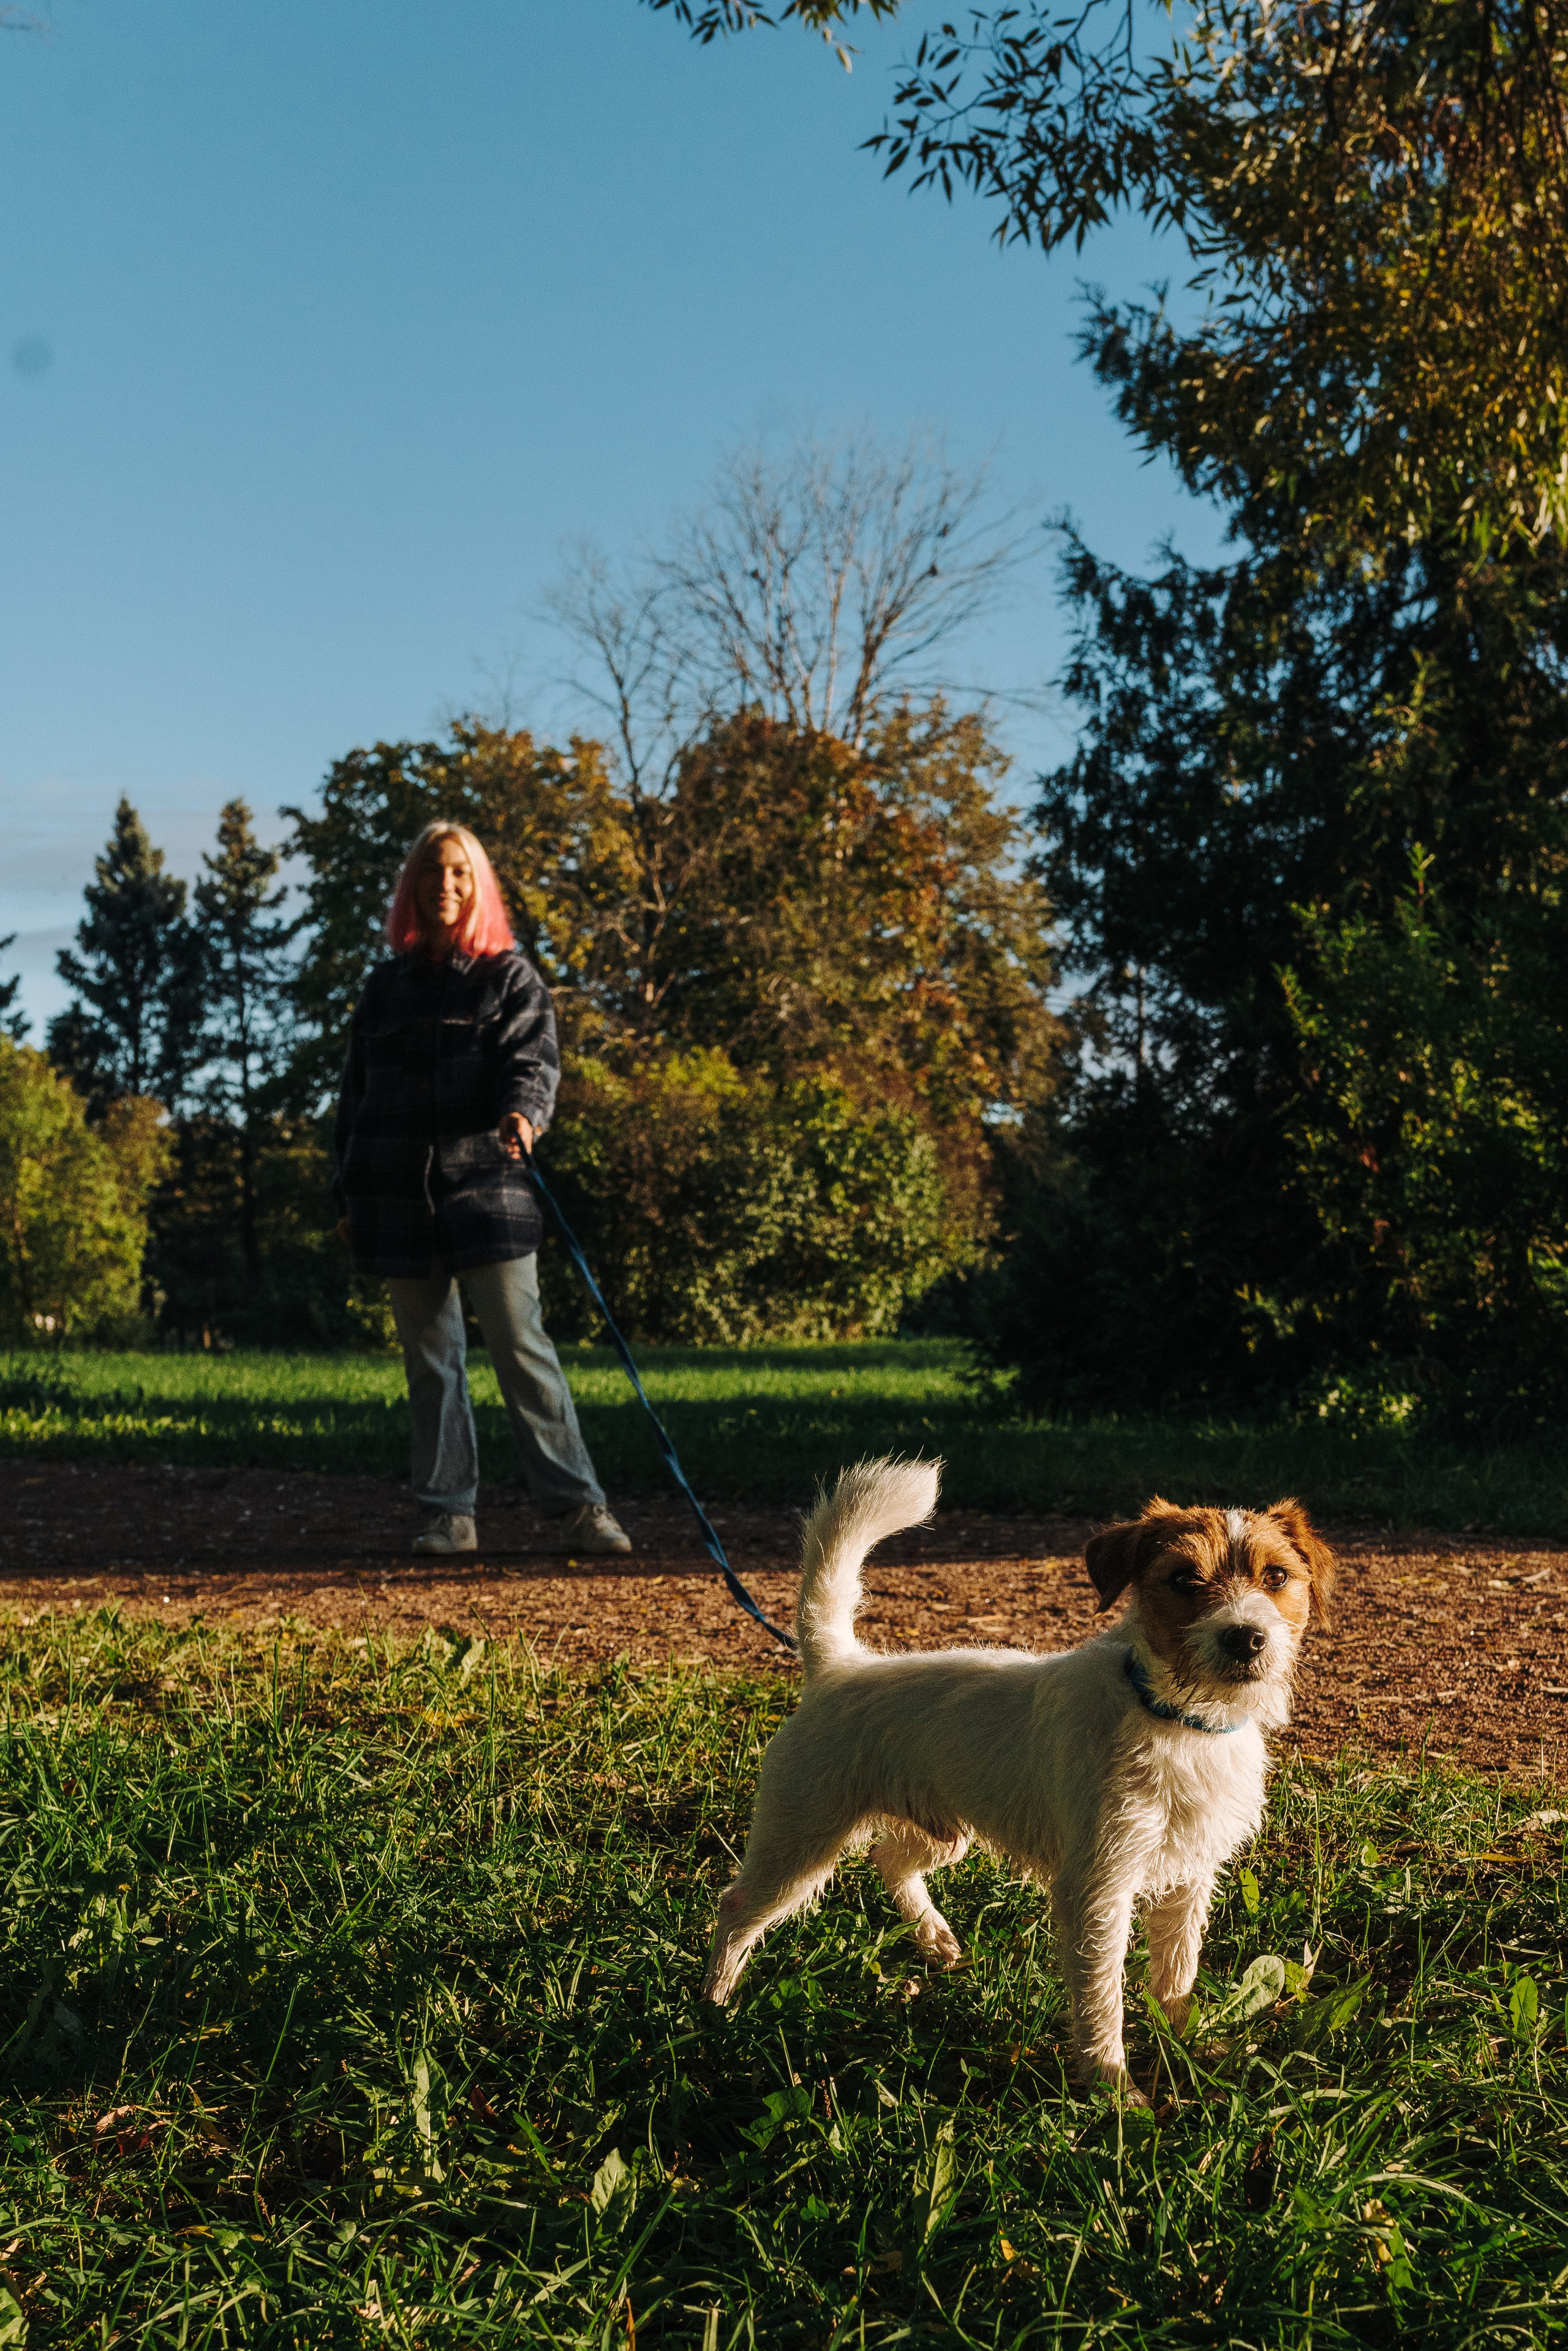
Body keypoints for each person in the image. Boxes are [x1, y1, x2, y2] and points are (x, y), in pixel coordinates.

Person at [333, 820, 631, 1558]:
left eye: (460, 872)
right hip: (397, 1200)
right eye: (432, 871)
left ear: (478, 886)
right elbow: (353, 1101)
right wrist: (347, 1195)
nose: (446, 884)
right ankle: (449, 1517)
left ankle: (579, 1508)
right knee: (431, 1365)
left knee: (522, 1349)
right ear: (411, 886)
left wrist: (523, 1113)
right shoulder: (383, 988)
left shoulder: (510, 977)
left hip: (490, 1193)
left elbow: (534, 1064)